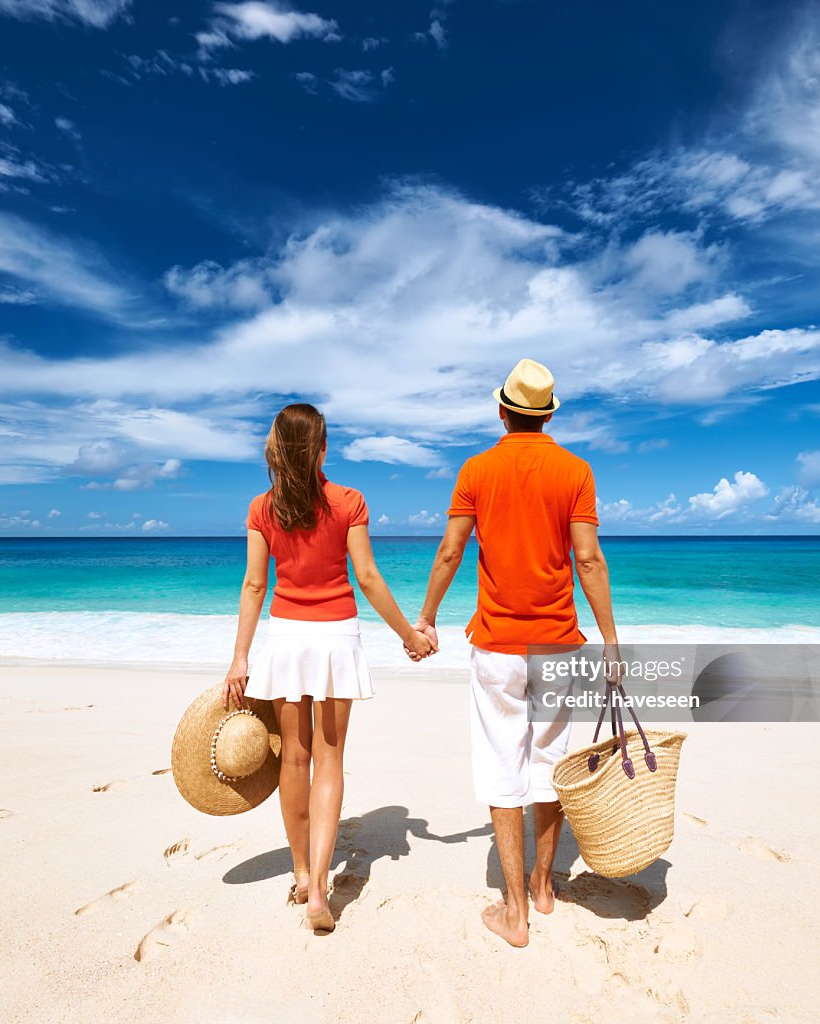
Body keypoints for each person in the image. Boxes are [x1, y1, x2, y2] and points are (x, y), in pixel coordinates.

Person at [408, 358, 621, 948]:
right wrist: (610, 641)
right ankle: (545, 887)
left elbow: (451, 552)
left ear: (503, 410)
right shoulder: (576, 470)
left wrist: (425, 618)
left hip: (498, 645)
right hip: (558, 644)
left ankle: (515, 911)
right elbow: (588, 560)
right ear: (548, 413)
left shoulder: (477, 469)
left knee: (503, 767)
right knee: (551, 762)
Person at [223, 402, 436, 934]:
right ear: (321, 448)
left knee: (293, 760)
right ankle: (321, 888)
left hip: (288, 640)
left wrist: (241, 656)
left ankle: (299, 874)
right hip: (337, 640)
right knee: (330, 760)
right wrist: (409, 636)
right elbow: (365, 576)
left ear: (277, 449)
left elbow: (254, 585)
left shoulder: (261, 508)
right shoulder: (349, 501)